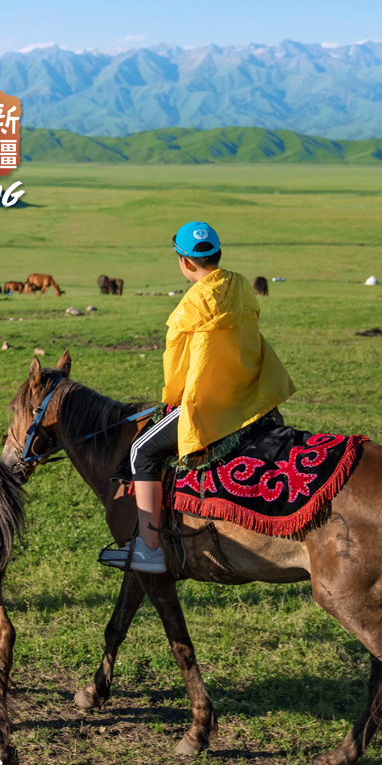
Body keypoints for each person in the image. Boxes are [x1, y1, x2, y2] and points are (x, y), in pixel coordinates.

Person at [98, 221, 297, 573]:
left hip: (213, 407)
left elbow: (177, 371)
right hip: (253, 396)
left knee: (141, 450)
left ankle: (149, 547)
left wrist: (170, 403)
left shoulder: (188, 309)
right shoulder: (239, 285)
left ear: (185, 262)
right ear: (217, 254)